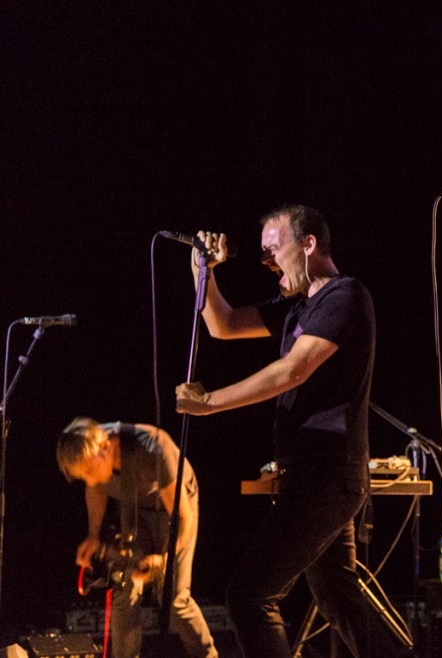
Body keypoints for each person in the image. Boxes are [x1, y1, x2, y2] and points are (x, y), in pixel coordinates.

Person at [174, 204, 375, 658]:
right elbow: (223, 324)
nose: (265, 260)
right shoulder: (296, 307)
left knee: (250, 595)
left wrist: (210, 402)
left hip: (329, 473)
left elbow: (292, 370)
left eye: (273, 249)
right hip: (313, 473)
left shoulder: (344, 296)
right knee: (339, 598)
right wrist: (202, 271)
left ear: (308, 245)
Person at [57, 418, 218, 658]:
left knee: (174, 598)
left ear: (106, 448)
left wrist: (164, 558)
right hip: (135, 511)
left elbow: (183, 518)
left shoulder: (154, 447)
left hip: (174, 511)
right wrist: (93, 535)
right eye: (83, 477)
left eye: (90, 472)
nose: (90, 480)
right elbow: (95, 489)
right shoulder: (93, 452)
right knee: (125, 586)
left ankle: (208, 655)